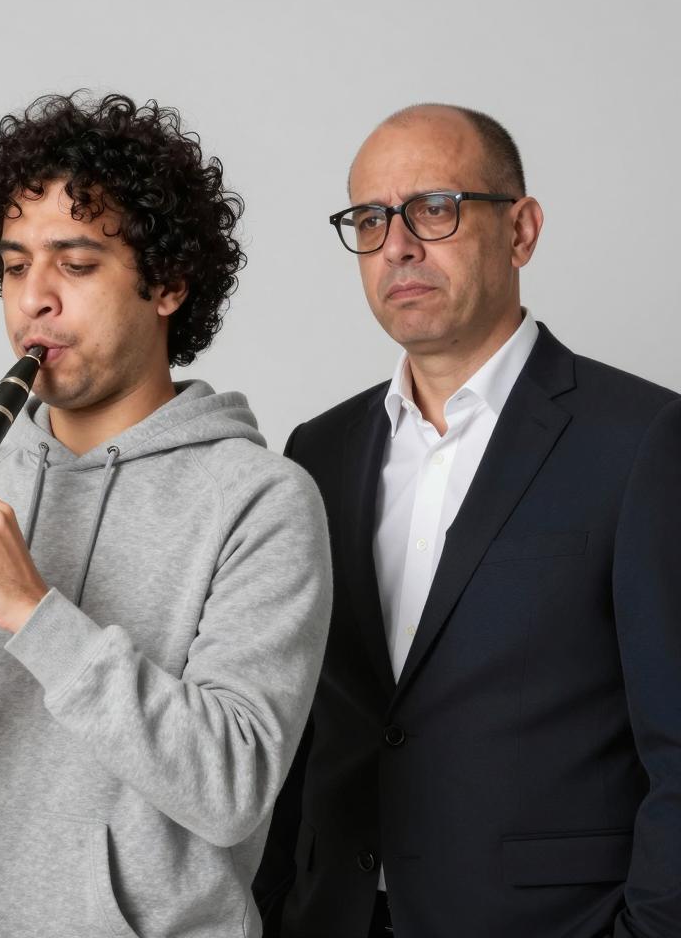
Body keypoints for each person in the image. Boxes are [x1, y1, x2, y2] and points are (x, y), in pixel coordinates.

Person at [0, 93, 331, 938]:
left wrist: (34, 613)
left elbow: (231, 789)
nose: (33, 299)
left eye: (75, 265)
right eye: (13, 267)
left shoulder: (261, 501)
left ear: (169, 284)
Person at [254, 104, 681, 937]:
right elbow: (299, 722)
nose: (398, 246)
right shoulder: (318, 450)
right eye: (370, 219)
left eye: (435, 208)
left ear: (521, 230)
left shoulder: (644, 441)